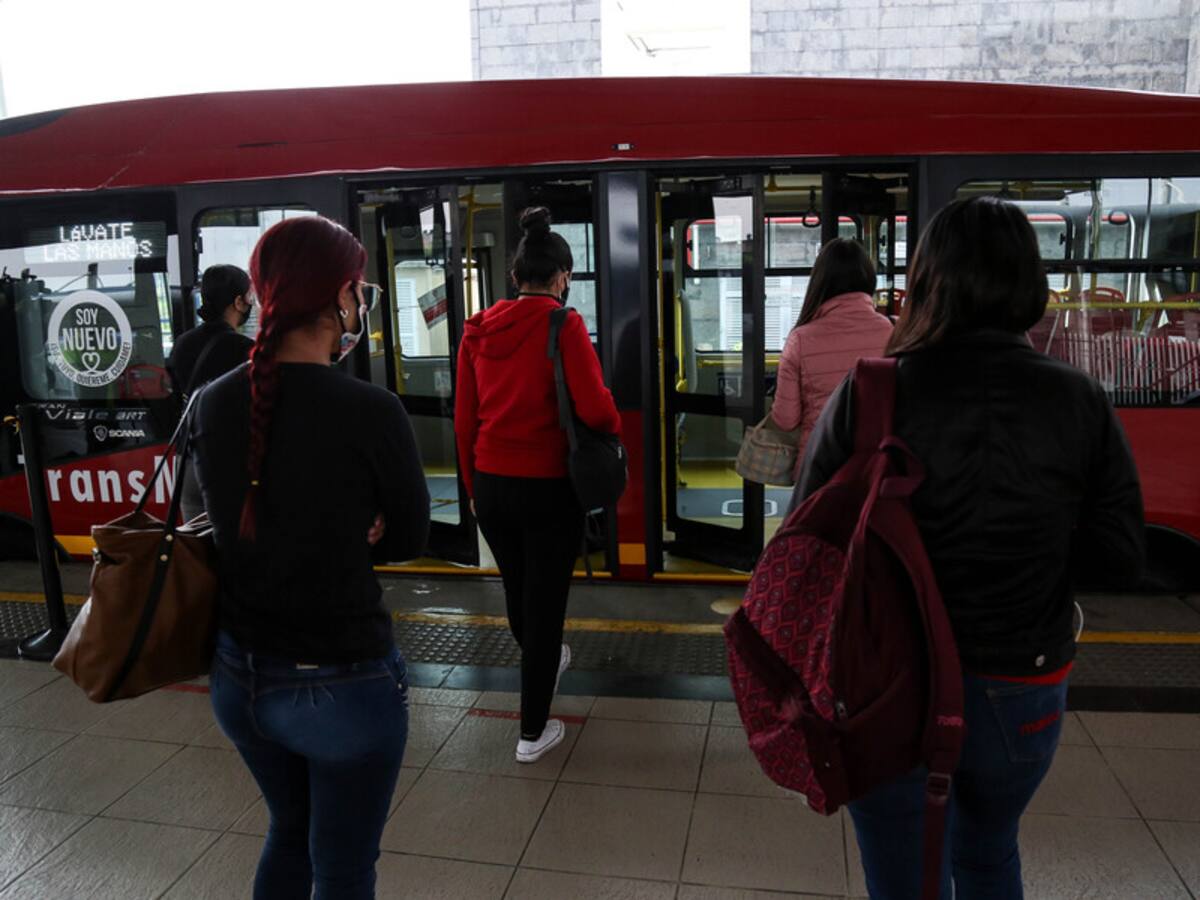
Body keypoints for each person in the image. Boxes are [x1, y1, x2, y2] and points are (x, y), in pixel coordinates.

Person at [791, 197, 1144, 899]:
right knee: (987, 853)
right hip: (1025, 681)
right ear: (1029, 282)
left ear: (927, 281)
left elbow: (806, 541)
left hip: (886, 683)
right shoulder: (1079, 399)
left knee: (901, 875)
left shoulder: (872, 393)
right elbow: (1120, 557)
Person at [192, 216, 430, 900]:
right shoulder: (372, 410)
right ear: (339, 298)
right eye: (359, 291)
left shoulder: (214, 402)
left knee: (288, 833)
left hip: (240, 679)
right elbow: (412, 539)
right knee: (344, 867)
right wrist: (365, 523)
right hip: (344, 684)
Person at [454, 206, 621, 764]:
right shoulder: (563, 323)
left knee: (518, 588)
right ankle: (531, 732)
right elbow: (596, 408)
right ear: (561, 277)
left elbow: (464, 417)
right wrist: (613, 425)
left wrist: (474, 486)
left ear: (514, 276)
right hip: (548, 485)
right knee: (546, 604)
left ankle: (544, 659)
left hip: (492, 484)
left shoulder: (476, 329)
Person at [771, 238, 893, 477]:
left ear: (819, 281)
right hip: (877, 468)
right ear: (868, 278)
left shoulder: (800, 339)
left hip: (818, 467)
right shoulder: (893, 333)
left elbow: (785, 420)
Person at [167, 264, 256, 520]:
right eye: (250, 297)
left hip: (187, 460)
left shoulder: (182, 344)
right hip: (226, 462)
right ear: (238, 302)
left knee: (197, 548)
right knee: (232, 546)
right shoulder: (245, 349)